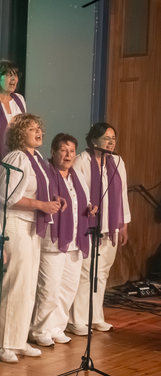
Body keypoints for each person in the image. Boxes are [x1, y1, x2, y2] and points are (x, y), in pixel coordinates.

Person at [0, 114, 60, 363]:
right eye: (32, 129)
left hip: (31, 227)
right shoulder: (17, 157)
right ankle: (4, 344)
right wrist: (41, 205)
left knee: (28, 286)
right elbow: (7, 197)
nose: (39, 132)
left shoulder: (37, 159)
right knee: (15, 285)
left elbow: (37, 191)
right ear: (20, 134)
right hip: (16, 226)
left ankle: (19, 340)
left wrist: (52, 201)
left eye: (39, 128)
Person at [30, 133, 89, 347]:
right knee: (49, 289)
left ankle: (57, 328)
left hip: (75, 240)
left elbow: (82, 202)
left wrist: (90, 208)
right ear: (53, 152)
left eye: (72, 151)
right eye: (63, 150)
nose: (68, 155)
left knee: (67, 289)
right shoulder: (46, 173)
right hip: (53, 241)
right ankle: (40, 330)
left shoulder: (77, 175)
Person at [70, 122, 130, 334]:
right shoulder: (82, 161)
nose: (111, 143)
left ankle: (95, 316)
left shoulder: (118, 161)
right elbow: (76, 192)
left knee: (102, 271)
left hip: (110, 225)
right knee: (86, 272)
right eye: (107, 139)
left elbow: (122, 194)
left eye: (113, 139)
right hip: (88, 224)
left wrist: (123, 224)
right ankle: (77, 319)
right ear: (94, 140)